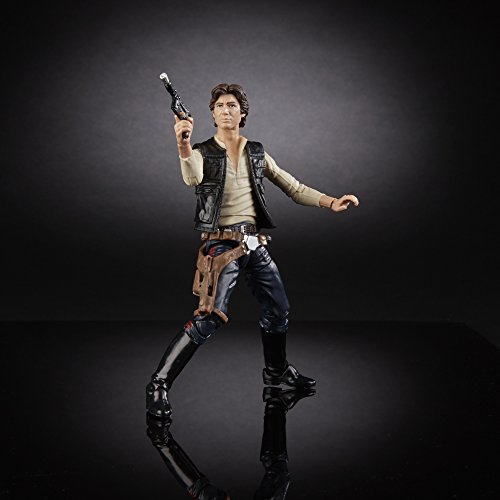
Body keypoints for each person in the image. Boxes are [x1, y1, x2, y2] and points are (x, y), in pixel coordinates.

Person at [146, 83, 359, 419]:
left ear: (242, 113)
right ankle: (158, 384)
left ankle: (277, 375)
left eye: (232, 105)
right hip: (220, 246)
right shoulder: (202, 151)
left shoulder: (256, 152)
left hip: (253, 243)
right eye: (219, 105)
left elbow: (293, 186)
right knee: (208, 318)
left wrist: (330, 202)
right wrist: (183, 143)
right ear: (212, 113)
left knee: (278, 309)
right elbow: (192, 177)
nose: (225, 110)